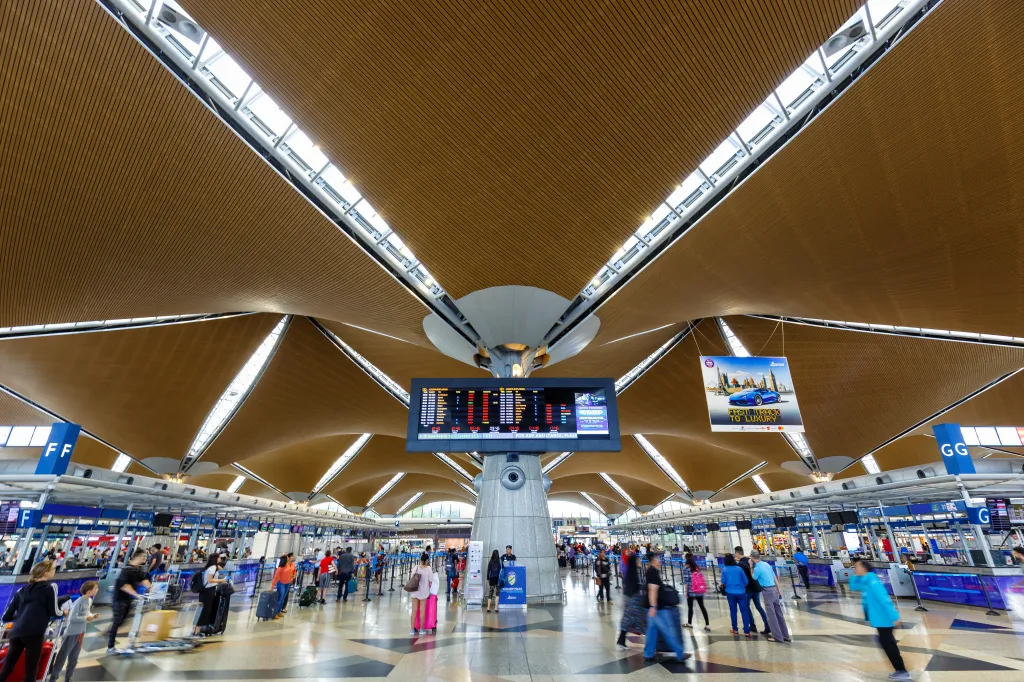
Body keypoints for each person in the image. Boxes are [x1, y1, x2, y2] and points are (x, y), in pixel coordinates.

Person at [0, 561, 62, 682]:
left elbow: (6, 617)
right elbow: (55, 612)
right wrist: (63, 612)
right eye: (53, 568)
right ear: (45, 573)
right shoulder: (50, 587)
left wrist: (21, 617)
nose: (55, 570)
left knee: (8, 666)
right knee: (31, 669)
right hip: (34, 632)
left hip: (17, 632)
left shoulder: (21, 590)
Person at [849, 559, 909, 681]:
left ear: (864, 568)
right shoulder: (866, 580)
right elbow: (853, 586)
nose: (855, 569)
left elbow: (884, 599)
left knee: (889, 645)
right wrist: (856, 575)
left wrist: (894, 617)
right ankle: (900, 670)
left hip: (885, 619)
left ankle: (902, 671)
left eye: (857, 567)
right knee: (887, 644)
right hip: (879, 619)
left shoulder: (873, 582)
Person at [47, 580, 98, 682]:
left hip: (80, 632)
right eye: (96, 588)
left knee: (74, 659)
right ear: (89, 591)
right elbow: (72, 618)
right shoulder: (79, 601)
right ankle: (53, 679)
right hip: (71, 633)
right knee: (62, 657)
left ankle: (68, 678)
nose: (97, 590)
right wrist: (86, 618)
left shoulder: (89, 601)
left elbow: (86, 612)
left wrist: (92, 615)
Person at [642, 553, 689, 662]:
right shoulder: (652, 572)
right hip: (657, 608)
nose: (660, 561)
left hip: (652, 607)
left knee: (652, 631)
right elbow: (652, 589)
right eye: (658, 559)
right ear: (653, 560)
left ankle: (648, 654)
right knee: (668, 630)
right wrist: (653, 606)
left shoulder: (651, 571)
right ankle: (680, 653)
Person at [106, 550, 151, 653]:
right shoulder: (126, 570)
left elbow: (144, 580)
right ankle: (110, 647)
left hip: (128, 599)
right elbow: (125, 586)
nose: (145, 559)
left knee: (122, 620)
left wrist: (153, 589)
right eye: (143, 557)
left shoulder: (138, 570)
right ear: (138, 557)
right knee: (117, 621)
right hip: (119, 599)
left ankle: (109, 632)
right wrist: (137, 595)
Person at [750, 551, 790, 643]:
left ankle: (777, 637)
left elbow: (753, 578)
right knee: (779, 613)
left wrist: (751, 566)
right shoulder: (766, 564)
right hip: (774, 589)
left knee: (771, 615)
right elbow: (774, 576)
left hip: (767, 591)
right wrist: (778, 588)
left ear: (752, 558)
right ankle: (786, 635)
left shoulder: (757, 568)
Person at [735, 546, 770, 635]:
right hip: (756, 587)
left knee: (746, 607)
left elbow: (741, 578)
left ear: (737, 553)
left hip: (748, 589)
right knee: (759, 607)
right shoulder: (750, 561)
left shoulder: (740, 565)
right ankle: (767, 625)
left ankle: (752, 625)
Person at [616, 551, 646, 649]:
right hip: (633, 601)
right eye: (637, 560)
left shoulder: (631, 572)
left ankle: (621, 641)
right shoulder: (634, 573)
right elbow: (638, 586)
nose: (639, 561)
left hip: (630, 599)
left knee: (629, 621)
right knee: (631, 621)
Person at [194, 554, 227, 636]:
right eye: (219, 557)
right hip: (208, 591)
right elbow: (210, 580)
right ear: (216, 558)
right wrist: (221, 580)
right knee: (204, 611)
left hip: (206, 591)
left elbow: (221, 569)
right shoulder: (212, 568)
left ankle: (195, 630)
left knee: (203, 610)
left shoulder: (212, 567)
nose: (220, 559)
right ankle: (197, 632)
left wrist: (217, 566)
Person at [722, 554, 753, 637]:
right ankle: (747, 631)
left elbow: (723, 581)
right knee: (744, 611)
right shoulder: (739, 569)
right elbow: (746, 581)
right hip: (741, 593)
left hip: (730, 593)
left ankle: (735, 629)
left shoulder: (724, 570)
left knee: (733, 611)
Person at [682, 553, 710, 631]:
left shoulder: (686, 568)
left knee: (690, 607)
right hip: (699, 590)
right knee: (702, 607)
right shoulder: (697, 567)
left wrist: (686, 591)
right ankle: (707, 625)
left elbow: (686, 581)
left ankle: (689, 623)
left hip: (691, 591)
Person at [408, 552, 433, 636]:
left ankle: (412, 630)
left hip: (415, 591)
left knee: (414, 611)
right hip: (424, 592)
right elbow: (430, 580)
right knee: (422, 611)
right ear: (426, 560)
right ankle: (422, 630)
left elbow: (412, 577)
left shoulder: (415, 567)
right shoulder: (429, 569)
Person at [270, 554, 295, 619]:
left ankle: (278, 612)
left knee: (283, 598)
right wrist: (272, 586)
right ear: (285, 559)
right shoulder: (280, 568)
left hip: (287, 583)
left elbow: (291, 572)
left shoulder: (288, 565)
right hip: (281, 584)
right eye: (287, 557)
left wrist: (291, 578)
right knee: (280, 599)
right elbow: (275, 578)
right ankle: (275, 613)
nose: (288, 558)